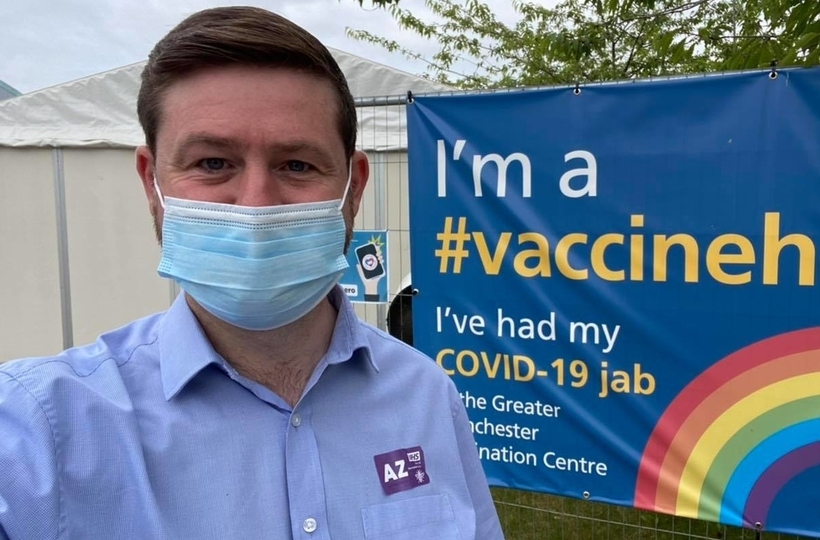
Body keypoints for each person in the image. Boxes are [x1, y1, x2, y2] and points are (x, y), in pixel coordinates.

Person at [0, 6, 504, 540]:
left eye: (297, 165)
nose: (257, 206)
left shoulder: (425, 394)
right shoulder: (38, 430)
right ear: (153, 185)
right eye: (213, 163)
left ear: (353, 189)